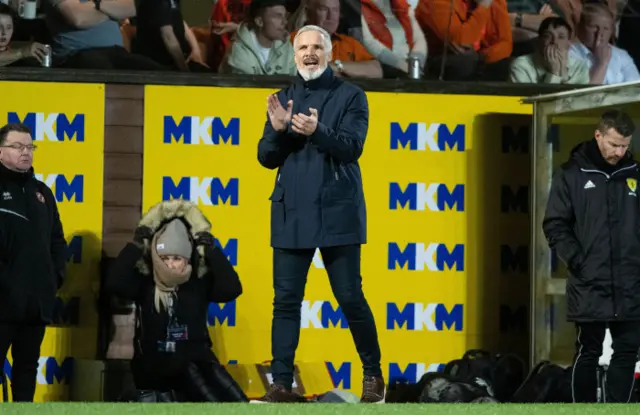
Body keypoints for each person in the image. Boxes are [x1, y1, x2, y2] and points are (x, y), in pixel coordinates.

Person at [255, 24, 384, 404]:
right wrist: (279, 130)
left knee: (349, 296)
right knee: (286, 301)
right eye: (303, 47)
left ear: (329, 54)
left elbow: (351, 147)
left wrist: (317, 130)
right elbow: (265, 157)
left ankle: (373, 375)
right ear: (293, 55)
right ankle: (281, 385)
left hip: (337, 212)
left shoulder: (352, 96)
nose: (309, 53)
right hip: (291, 211)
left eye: (317, 47)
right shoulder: (281, 98)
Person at [105, 199, 248, 402]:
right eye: (164, 258)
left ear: (188, 258)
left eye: (177, 258)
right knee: (194, 377)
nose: (170, 265)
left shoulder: (198, 280)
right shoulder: (146, 281)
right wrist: (137, 245)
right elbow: (114, 283)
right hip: (155, 365)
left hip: (198, 361)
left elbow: (232, 289)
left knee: (236, 400)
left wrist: (210, 249)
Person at [542, 110, 640, 403]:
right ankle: (582, 411)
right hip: (589, 281)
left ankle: (617, 411)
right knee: (589, 351)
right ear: (598, 135)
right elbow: (555, 224)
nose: (618, 152)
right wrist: (577, 260)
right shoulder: (571, 174)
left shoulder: (634, 174)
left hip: (631, 282)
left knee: (627, 351)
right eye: (613, 144)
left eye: (624, 145)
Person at [0, 123, 67, 402]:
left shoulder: (42, 193)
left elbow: (57, 241)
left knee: (27, 369)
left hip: (36, 302)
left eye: (30, 147)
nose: (25, 153)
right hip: (2, 302)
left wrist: (54, 278)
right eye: (17, 146)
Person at [509, 16, 589, 84]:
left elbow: (581, 100)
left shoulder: (579, 68)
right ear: (539, 41)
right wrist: (554, 73)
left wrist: (563, 72)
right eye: (548, 36)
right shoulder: (521, 66)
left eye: (561, 37)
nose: (554, 41)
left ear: (569, 44)